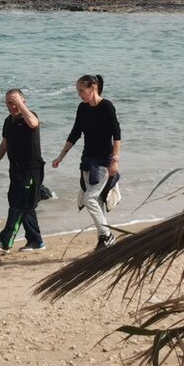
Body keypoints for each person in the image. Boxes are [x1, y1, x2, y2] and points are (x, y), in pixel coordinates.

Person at [52, 74, 121, 249]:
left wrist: (115, 161)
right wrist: (61, 156)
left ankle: (107, 234)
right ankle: (104, 239)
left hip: (104, 162)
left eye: (82, 90)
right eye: (78, 91)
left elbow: (117, 135)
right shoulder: (82, 108)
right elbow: (75, 133)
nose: (80, 94)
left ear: (93, 87)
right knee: (95, 201)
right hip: (87, 161)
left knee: (90, 199)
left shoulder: (107, 107)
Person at [0, 88, 46, 253]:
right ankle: (36, 241)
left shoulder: (30, 116)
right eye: (8, 103)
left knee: (18, 205)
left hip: (31, 169)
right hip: (15, 169)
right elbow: (4, 145)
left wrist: (19, 103)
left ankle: (5, 241)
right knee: (23, 205)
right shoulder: (8, 122)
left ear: (23, 102)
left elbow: (33, 123)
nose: (11, 106)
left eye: (14, 103)